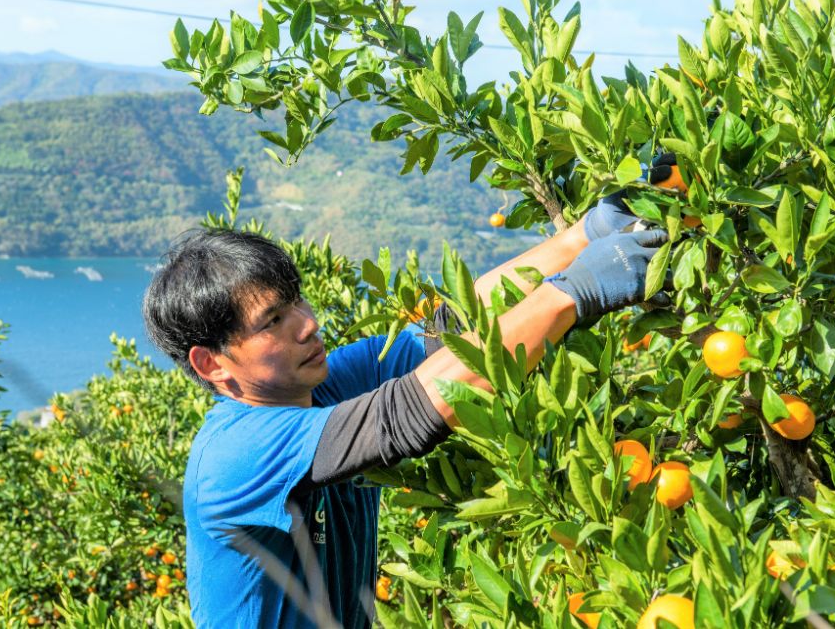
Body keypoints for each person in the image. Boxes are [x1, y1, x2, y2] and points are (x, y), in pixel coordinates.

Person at [141, 179, 669, 628]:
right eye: (273, 321)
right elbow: (407, 414)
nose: (308, 323)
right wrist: (575, 292)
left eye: (297, 301)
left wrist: (587, 233)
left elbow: (456, 328)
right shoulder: (233, 454)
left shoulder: (319, 386)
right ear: (212, 364)